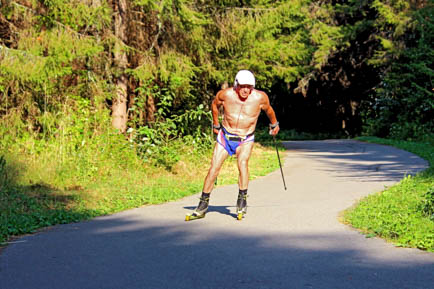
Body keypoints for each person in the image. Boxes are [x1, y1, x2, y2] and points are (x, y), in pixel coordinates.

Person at [185, 70, 280, 221]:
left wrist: (274, 124)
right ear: (236, 84)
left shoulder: (259, 97)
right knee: (214, 168)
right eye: (242, 86)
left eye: (249, 87)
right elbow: (214, 106)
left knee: (242, 164)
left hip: (245, 138)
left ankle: (242, 200)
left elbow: (269, 110)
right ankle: (202, 205)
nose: (245, 90)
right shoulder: (226, 95)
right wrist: (215, 125)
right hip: (225, 136)